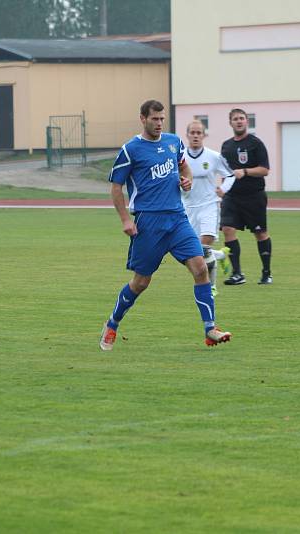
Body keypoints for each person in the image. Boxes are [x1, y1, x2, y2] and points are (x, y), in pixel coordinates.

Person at [99, 100, 231, 350]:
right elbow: (116, 187)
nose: (159, 123)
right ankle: (112, 324)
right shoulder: (131, 149)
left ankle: (209, 329)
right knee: (141, 283)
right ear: (143, 119)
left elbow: (184, 167)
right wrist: (126, 219)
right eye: (154, 119)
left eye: (162, 119)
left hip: (177, 219)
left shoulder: (173, 142)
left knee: (200, 268)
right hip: (149, 223)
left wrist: (187, 181)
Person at [220, 108, 272, 285]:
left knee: (260, 233)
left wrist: (246, 171)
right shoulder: (226, 146)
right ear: (230, 123)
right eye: (235, 119)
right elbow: (225, 171)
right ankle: (237, 274)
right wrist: (222, 188)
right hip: (232, 197)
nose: (239, 121)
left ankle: (266, 272)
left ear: (247, 122)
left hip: (254, 196)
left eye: (242, 118)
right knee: (227, 229)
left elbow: (265, 169)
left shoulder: (256, 143)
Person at [182, 120, 234, 295]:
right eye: (193, 133)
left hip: (209, 206)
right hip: (188, 208)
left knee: (203, 246)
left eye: (199, 133)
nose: (196, 136)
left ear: (204, 135)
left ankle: (211, 286)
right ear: (187, 135)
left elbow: (231, 175)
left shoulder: (213, 156)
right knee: (195, 251)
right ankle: (220, 255)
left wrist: (223, 189)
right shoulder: (180, 157)